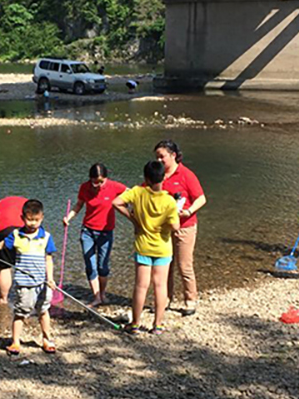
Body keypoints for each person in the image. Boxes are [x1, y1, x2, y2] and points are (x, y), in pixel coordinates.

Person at [0, 199, 58, 355]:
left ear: (42, 218)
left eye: (36, 220)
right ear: (22, 218)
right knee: (20, 313)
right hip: (24, 284)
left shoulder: (46, 237)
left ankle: (46, 339)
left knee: (44, 311)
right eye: (29, 219)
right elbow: (0, 246)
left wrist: (50, 278)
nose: (32, 223)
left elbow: (48, 259)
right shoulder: (16, 235)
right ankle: (16, 342)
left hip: (43, 283)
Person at [113, 161, 180, 334]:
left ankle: (135, 324)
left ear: (146, 178)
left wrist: (133, 220)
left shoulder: (137, 192)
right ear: (163, 177)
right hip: (163, 248)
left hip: (143, 246)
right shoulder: (169, 201)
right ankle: (157, 325)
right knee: (160, 286)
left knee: (141, 286)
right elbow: (175, 226)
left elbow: (116, 202)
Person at [63, 164, 127, 306]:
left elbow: (132, 194)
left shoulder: (114, 186)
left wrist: (131, 208)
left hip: (106, 232)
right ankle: (97, 297)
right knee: (90, 265)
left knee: (102, 266)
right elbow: (79, 205)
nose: (98, 185)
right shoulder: (84, 187)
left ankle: (102, 294)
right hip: (88, 231)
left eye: (101, 182)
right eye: (95, 182)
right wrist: (68, 217)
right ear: (90, 179)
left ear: (106, 178)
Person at [154, 140, 206, 315]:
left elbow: (201, 198)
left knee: (184, 265)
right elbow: (144, 190)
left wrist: (189, 211)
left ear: (173, 155)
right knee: (164, 265)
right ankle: (165, 299)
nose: (159, 160)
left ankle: (190, 300)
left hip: (185, 226)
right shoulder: (158, 174)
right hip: (164, 228)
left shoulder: (186, 174)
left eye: (162, 157)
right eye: (157, 157)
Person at [0, 195, 27, 304]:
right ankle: (27, 298)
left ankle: (3, 299)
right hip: (24, 231)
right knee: (27, 265)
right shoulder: (28, 203)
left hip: (4, 232)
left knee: (4, 267)